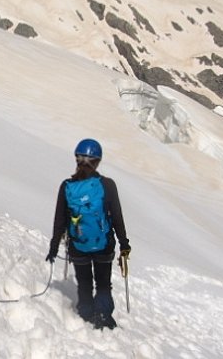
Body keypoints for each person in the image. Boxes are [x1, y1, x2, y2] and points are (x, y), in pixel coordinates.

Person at [45, 138, 131, 329]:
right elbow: (116, 216)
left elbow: (60, 220)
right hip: (104, 245)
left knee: (84, 283)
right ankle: (103, 316)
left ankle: (85, 314)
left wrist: (53, 247)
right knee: (103, 284)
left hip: (78, 245)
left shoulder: (67, 186)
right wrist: (124, 244)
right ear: (98, 160)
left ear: (77, 158)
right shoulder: (107, 185)